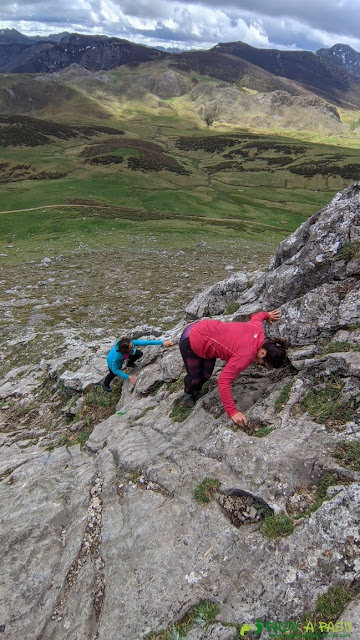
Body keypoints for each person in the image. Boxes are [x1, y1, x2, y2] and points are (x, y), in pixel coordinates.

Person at [179, 309, 287, 426]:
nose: (261, 364)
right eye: (263, 363)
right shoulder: (246, 356)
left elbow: (256, 317)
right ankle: (188, 395)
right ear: (263, 354)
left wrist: (267, 315)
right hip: (190, 339)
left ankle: (196, 390)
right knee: (195, 378)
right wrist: (233, 412)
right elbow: (224, 380)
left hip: (206, 333)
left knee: (206, 375)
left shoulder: (258, 331)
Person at [102, 336, 173, 391]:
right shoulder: (116, 357)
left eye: (132, 345)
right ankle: (105, 384)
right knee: (112, 374)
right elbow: (115, 370)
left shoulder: (128, 344)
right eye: (131, 347)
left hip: (125, 354)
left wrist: (162, 342)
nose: (133, 346)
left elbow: (144, 342)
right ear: (126, 350)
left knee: (139, 353)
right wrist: (128, 377)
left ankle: (130, 363)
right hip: (111, 361)